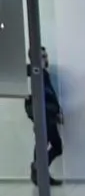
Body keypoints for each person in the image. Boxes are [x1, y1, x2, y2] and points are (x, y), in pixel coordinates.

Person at [23, 46, 62, 186]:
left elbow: (49, 94)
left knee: (44, 143)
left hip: (47, 113)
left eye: (45, 56)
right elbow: (34, 95)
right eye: (42, 56)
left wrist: (57, 111)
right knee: (53, 145)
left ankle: (40, 172)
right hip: (43, 113)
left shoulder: (42, 73)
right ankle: (38, 168)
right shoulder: (33, 71)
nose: (45, 59)